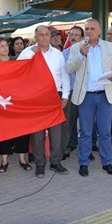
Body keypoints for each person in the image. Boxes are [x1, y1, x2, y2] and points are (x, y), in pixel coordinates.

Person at [66, 19, 112, 177]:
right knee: (85, 132)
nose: (89, 31)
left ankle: (107, 162)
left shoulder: (108, 46)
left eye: (92, 28)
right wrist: (81, 56)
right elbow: (68, 68)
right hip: (86, 96)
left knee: (105, 132)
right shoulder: (77, 47)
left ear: (99, 31)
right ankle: (83, 163)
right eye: (86, 29)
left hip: (104, 95)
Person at [18, 25, 71, 177]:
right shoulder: (27, 52)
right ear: (35, 37)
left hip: (55, 95)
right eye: (40, 35)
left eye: (46, 34)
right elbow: (19, 69)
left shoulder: (57, 54)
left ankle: (55, 162)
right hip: (36, 97)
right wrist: (31, 54)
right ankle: (40, 163)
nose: (44, 37)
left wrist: (66, 95)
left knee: (56, 132)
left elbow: (64, 75)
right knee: (37, 133)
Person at [0, 38, 32, 172]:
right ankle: (4, 160)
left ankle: (22, 158)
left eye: (5, 46)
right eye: (1, 46)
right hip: (0, 102)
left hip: (16, 101)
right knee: (3, 131)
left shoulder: (17, 62)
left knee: (21, 130)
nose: (4, 48)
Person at [62, 26, 84, 158]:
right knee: (69, 121)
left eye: (76, 35)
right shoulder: (65, 53)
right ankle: (69, 144)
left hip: (85, 91)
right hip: (70, 91)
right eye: (71, 35)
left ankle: (89, 146)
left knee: (87, 121)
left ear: (82, 37)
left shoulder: (88, 51)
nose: (74, 37)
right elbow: (64, 73)